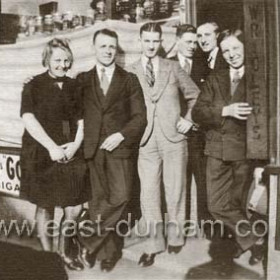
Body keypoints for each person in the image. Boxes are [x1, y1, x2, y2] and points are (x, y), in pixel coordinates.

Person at [126, 22, 200, 267]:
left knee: (175, 190)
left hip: (174, 140)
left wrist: (188, 120)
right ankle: (153, 245)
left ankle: (176, 238)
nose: (150, 45)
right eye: (146, 41)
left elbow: (196, 96)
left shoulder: (173, 67)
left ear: (161, 42)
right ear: (140, 41)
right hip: (145, 142)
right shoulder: (130, 70)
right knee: (148, 196)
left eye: (155, 41)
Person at [192, 29, 266, 267]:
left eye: (236, 49)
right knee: (215, 205)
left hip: (246, 152)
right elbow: (198, 112)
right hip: (216, 150)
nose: (232, 54)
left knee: (240, 203)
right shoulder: (216, 78)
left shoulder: (259, 78)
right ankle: (254, 240)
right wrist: (225, 110)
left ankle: (246, 243)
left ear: (245, 48)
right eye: (226, 51)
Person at [76, 28, 147, 272]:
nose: (107, 51)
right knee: (98, 203)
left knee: (121, 197)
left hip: (119, 150)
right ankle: (108, 254)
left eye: (111, 47)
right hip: (91, 150)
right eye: (103, 46)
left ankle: (85, 239)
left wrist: (121, 135)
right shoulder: (82, 79)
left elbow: (140, 118)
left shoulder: (129, 80)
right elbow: (68, 109)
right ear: (94, 48)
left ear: (116, 50)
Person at [20, 38, 91, 271]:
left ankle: (63, 250)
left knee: (75, 207)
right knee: (45, 205)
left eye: (66, 60)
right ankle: (48, 256)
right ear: (47, 60)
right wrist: (51, 147)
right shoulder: (33, 85)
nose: (62, 64)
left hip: (70, 150)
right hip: (41, 151)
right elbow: (28, 119)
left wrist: (74, 145)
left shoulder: (75, 86)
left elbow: (83, 120)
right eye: (57, 60)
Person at [169, 24, 212, 228]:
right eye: (188, 41)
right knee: (178, 183)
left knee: (202, 180)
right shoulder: (166, 65)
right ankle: (179, 227)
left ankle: (207, 225)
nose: (193, 46)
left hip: (197, 133)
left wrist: (190, 120)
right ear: (177, 41)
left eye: (195, 42)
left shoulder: (204, 64)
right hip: (173, 133)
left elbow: (206, 98)